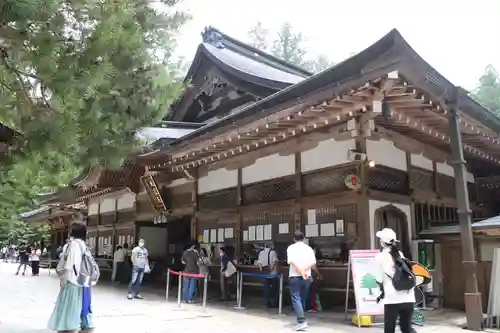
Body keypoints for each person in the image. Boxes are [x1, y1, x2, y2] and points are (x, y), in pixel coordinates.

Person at [48, 220, 97, 333]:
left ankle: (67, 326)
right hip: (80, 281)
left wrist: (64, 277)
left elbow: (72, 264)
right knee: (76, 304)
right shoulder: (83, 244)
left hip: (72, 280)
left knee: (67, 304)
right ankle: (74, 324)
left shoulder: (74, 244)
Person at [374, 228, 415, 333]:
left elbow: (378, 278)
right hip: (409, 296)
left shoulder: (380, 257)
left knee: (389, 329)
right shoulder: (400, 255)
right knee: (406, 328)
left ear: (382, 242)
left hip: (392, 298)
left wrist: (379, 293)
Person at [287, 231, 316, 331]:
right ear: (303, 238)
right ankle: (301, 319)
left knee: (296, 298)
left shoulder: (291, 248)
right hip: (307, 277)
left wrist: (300, 271)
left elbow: (291, 262)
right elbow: (313, 262)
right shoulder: (309, 249)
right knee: (302, 298)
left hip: (295, 276)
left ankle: (301, 321)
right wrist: (304, 270)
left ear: (293, 238)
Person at [257, 244, 280, 308]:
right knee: (275, 289)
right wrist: (273, 270)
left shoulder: (261, 252)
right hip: (273, 273)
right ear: (271, 246)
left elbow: (259, 263)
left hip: (265, 273)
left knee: (266, 289)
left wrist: (262, 270)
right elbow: (275, 262)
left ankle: (267, 303)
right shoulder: (273, 252)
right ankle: (276, 303)